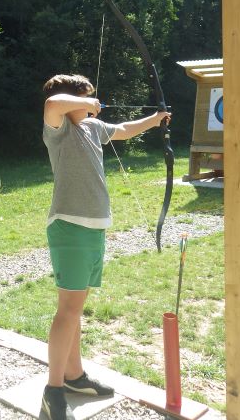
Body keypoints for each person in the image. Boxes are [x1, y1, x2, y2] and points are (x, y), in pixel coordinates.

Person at [40, 74, 171, 420]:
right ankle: (53, 391)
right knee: (68, 310)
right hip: (70, 227)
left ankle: (74, 376)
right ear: (74, 99)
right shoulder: (59, 129)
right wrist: (84, 103)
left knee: (74, 309)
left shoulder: (92, 128)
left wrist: (155, 120)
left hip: (93, 228)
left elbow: (125, 129)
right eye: (85, 98)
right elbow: (53, 105)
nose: (92, 103)